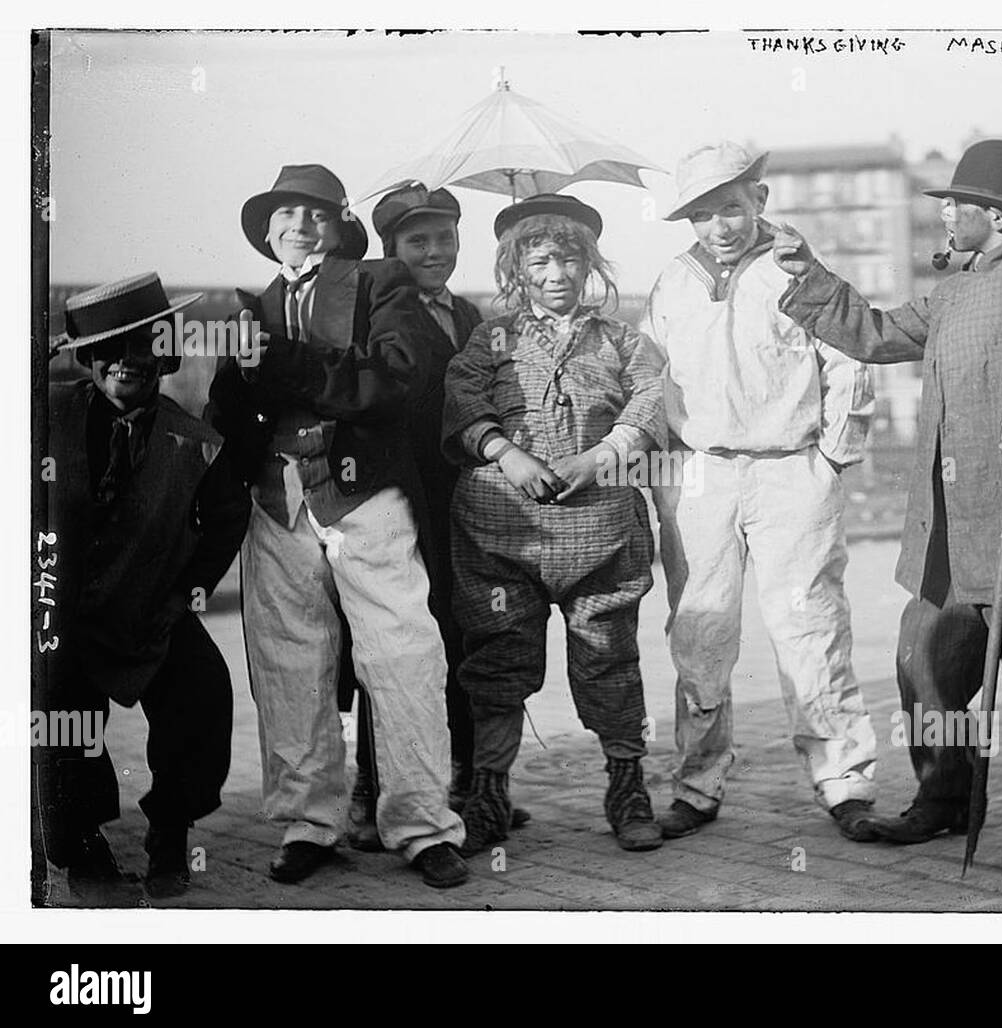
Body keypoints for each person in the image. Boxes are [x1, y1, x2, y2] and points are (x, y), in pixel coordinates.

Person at [774, 139, 1002, 892]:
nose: (943, 213)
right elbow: (876, 333)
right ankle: (944, 797)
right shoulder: (951, 290)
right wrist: (807, 277)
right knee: (925, 669)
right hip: (951, 541)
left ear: (998, 214)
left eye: (954, 203)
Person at [205, 163, 468, 889]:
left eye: (316, 214)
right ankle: (309, 822)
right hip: (278, 499)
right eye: (285, 214)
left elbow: (393, 379)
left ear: (339, 226)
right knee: (288, 663)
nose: (300, 226)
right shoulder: (251, 306)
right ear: (266, 232)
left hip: (363, 493)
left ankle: (422, 824)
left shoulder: (379, 283)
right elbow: (231, 411)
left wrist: (285, 362)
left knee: (403, 653)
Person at [639, 141, 879, 842]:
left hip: (790, 467)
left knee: (810, 625)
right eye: (705, 213)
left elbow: (851, 362)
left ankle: (844, 780)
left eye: (733, 207)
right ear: (689, 220)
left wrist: (834, 455)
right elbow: (649, 376)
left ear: (760, 202)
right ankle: (698, 782)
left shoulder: (797, 269)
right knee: (699, 630)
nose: (721, 225)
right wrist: (659, 457)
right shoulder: (672, 283)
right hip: (699, 472)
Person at [442, 193, 665, 854]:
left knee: (609, 658)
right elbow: (461, 396)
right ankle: (487, 795)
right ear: (516, 267)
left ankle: (628, 787)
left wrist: (607, 453)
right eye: (538, 260)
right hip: (501, 535)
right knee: (499, 656)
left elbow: (652, 397)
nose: (555, 274)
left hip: (602, 533)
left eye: (569, 258)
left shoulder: (621, 339)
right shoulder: (492, 336)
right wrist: (505, 453)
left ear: (589, 264)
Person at [40, 273, 249, 903]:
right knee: (59, 717)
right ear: (86, 359)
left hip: (148, 608)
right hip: (60, 612)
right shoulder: (42, 414)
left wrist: (189, 590)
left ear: (165, 354)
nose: (124, 364)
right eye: (107, 350)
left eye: (141, 347)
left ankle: (169, 835)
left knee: (202, 696)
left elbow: (226, 520)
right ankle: (80, 848)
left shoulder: (200, 444)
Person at [341, 184, 529, 851]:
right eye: (417, 240)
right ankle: (375, 786)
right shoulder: (373, 310)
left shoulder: (472, 317)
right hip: (396, 497)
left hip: (463, 502)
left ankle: (471, 782)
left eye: (445, 237)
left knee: (467, 634)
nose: (435, 251)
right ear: (390, 249)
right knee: (392, 641)